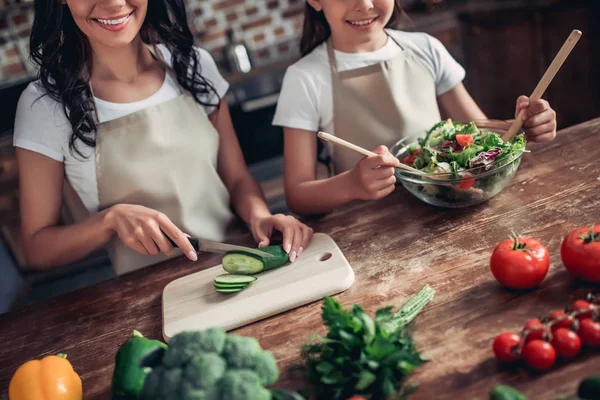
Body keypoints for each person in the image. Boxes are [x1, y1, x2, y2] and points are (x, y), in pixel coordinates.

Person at [13, 0, 313, 274]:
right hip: (148, 297)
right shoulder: (45, 105)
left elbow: (236, 179)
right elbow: (37, 248)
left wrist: (260, 217)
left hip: (237, 264)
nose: (114, 3)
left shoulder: (194, 65)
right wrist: (109, 221)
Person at [272, 0, 558, 215]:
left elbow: (483, 140)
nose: (365, 5)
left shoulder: (427, 48)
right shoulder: (305, 77)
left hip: (450, 209)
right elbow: (297, 195)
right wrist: (351, 185)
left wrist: (522, 128)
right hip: (369, 227)